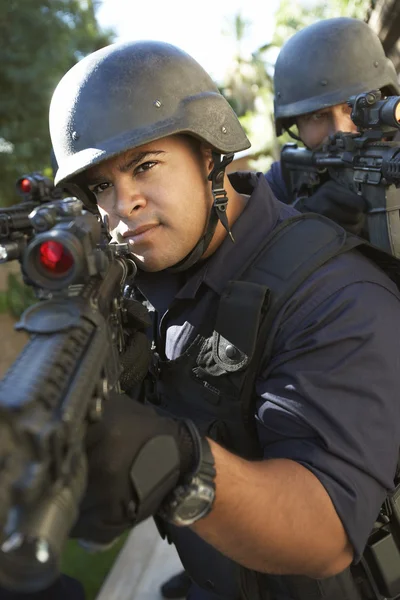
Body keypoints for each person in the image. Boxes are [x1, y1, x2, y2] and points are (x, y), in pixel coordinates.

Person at [47, 39, 400, 600]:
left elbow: (323, 531)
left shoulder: (334, 292)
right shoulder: (143, 275)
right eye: (101, 186)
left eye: (144, 165)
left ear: (209, 155)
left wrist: (174, 461)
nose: (124, 203)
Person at [265, 17, 400, 235]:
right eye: (317, 116)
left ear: (388, 98)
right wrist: (298, 225)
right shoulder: (285, 180)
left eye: (353, 109)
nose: (340, 129)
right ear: (295, 124)